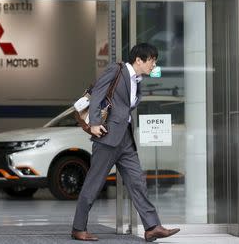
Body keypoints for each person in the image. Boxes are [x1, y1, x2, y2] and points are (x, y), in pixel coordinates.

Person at [71, 43, 180, 242]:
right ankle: (78, 228)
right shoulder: (117, 70)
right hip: (107, 136)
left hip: (125, 139)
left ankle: (152, 227)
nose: (154, 65)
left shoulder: (137, 80)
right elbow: (97, 95)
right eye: (152, 60)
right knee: (94, 183)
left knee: (137, 182)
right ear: (139, 59)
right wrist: (94, 123)